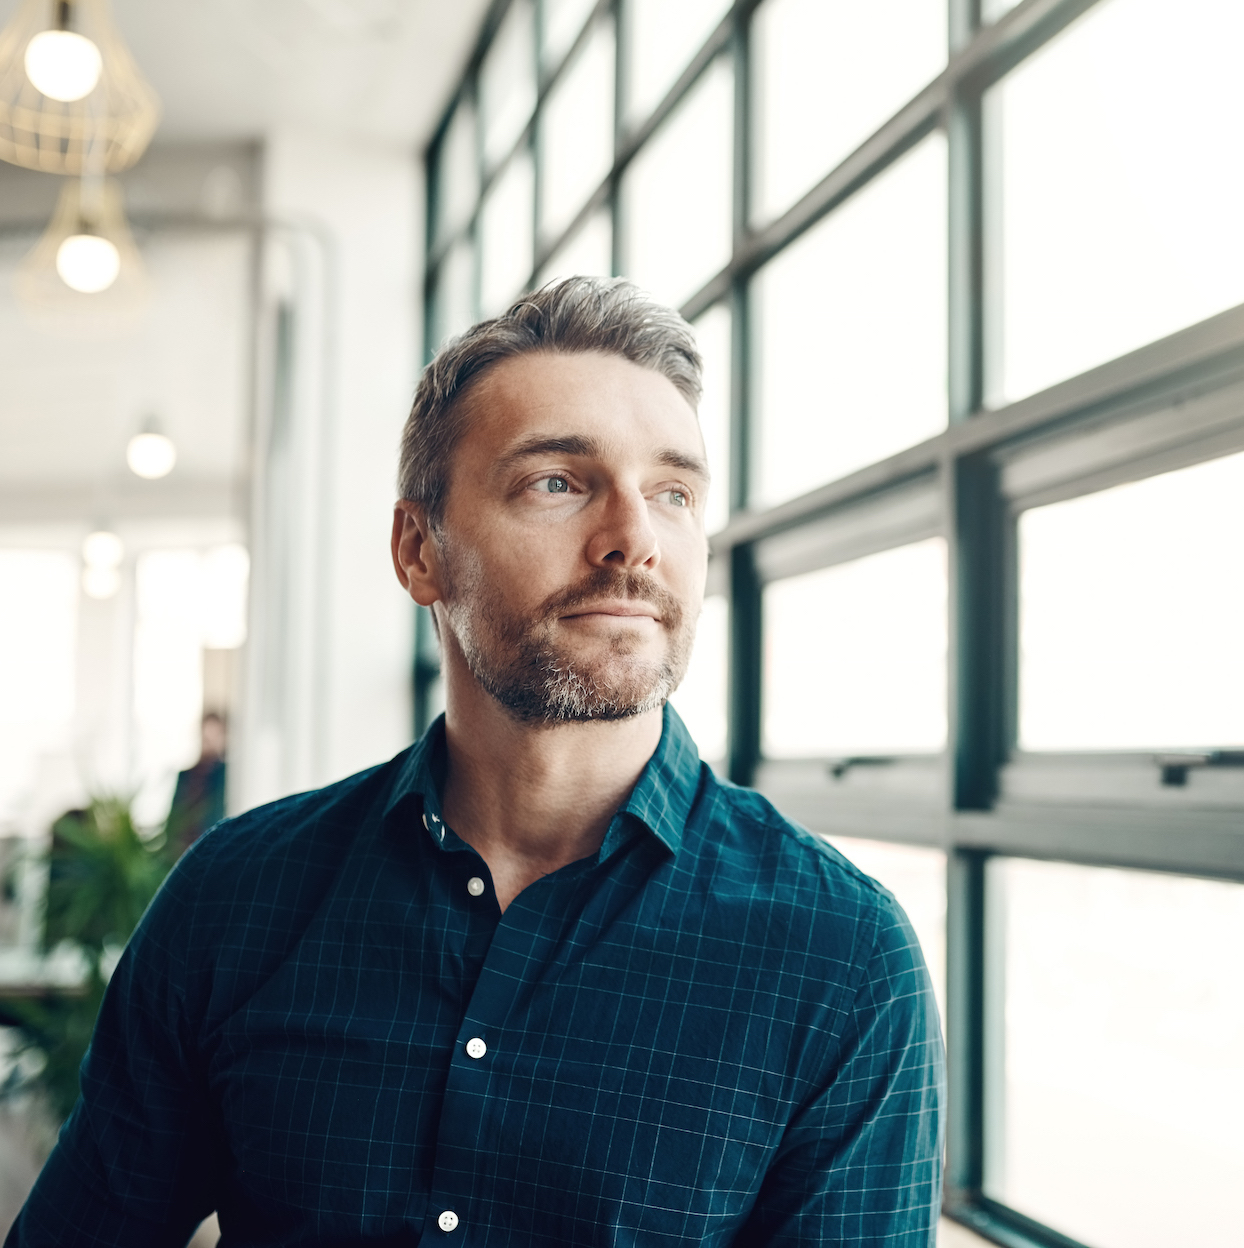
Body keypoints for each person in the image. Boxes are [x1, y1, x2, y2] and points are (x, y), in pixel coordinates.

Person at [6, 278, 943, 1247]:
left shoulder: (839, 959)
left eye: (672, 493)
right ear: (419, 550)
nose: (634, 541)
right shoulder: (234, 900)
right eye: (558, 482)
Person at [165, 712, 228, 858]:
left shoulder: (226, 775)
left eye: (215, 737)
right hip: (182, 850)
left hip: (213, 847)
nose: (210, 743)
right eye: (207, 738)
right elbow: (175, 814)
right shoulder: (186, 775)